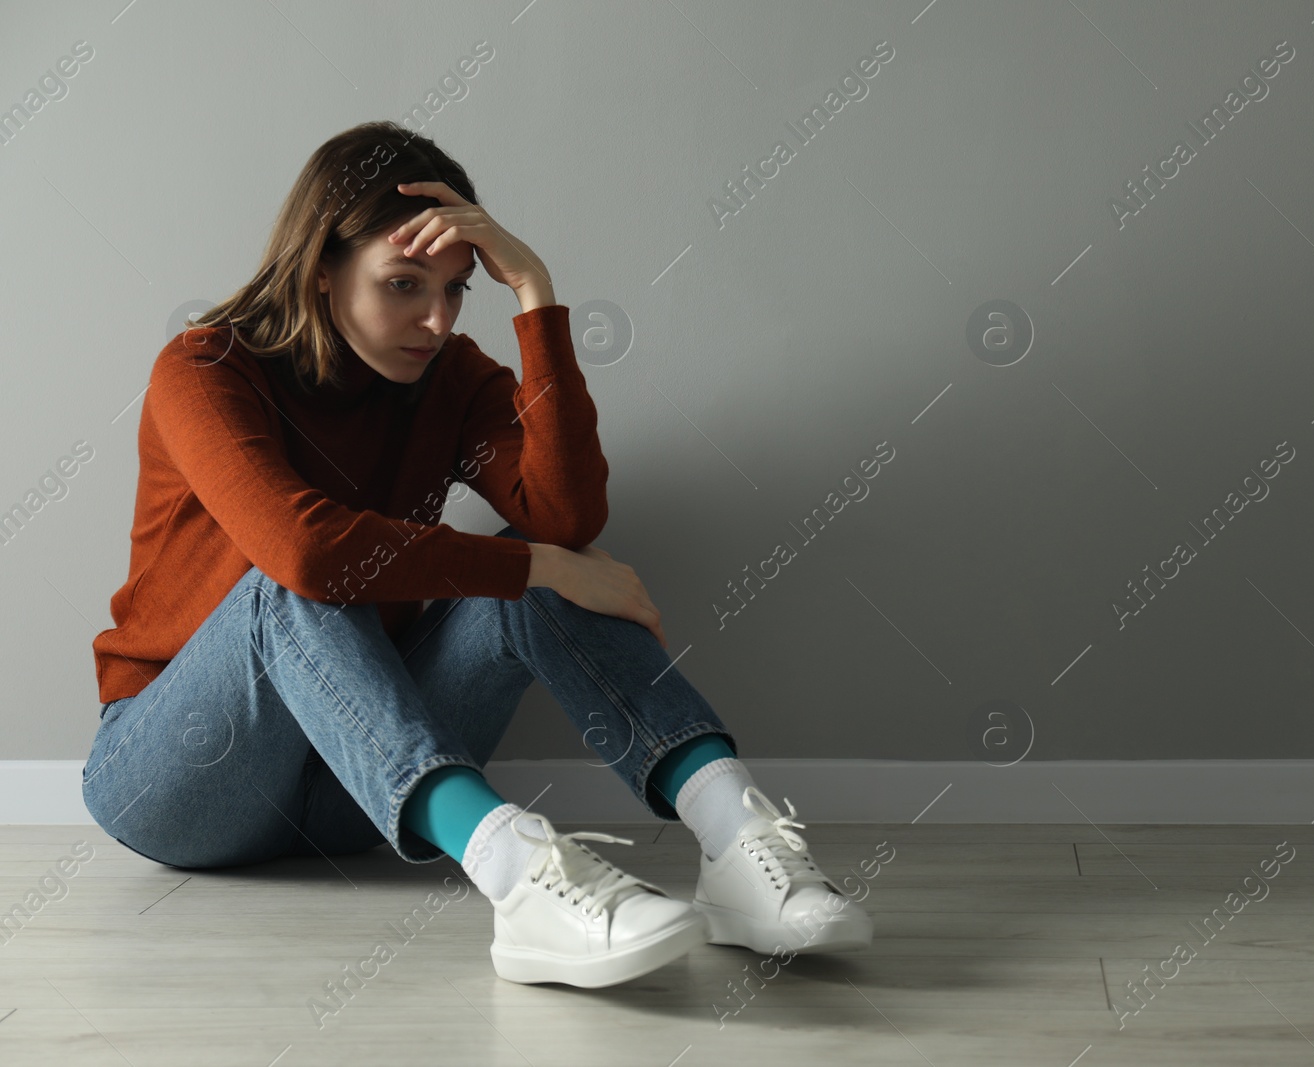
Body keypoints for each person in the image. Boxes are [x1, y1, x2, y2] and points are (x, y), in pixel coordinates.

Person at [83, 120, 871, 989]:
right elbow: (308, 552)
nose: (435, 318)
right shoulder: (207, 367)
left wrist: (535, 295)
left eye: (457, 289)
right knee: (291, 585)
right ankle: (519, 874)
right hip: (179, 780)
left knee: (530, 561)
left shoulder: (446, 377)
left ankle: (735, 840)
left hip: (361, 789)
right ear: (319, 272)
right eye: (403, 284)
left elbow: (565, 517)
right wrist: (538, 564)